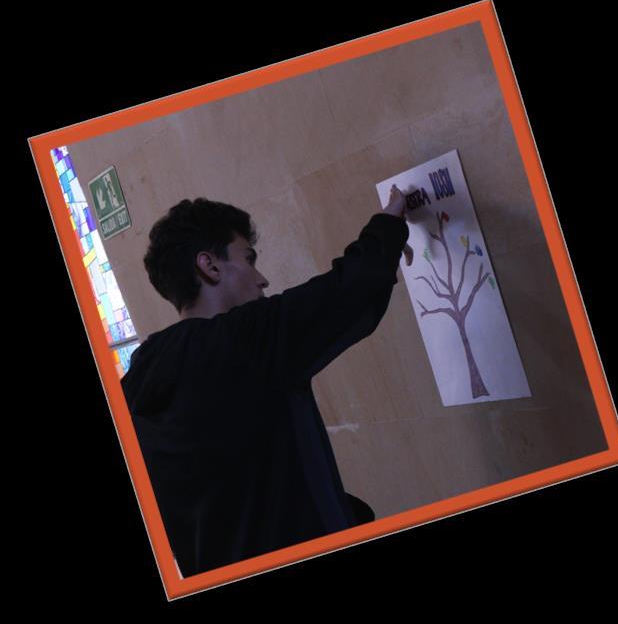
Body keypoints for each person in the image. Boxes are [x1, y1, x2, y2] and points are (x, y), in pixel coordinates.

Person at [121, 186, 412, 577]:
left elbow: (237, 486)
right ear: (210, 266)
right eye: (249, 259)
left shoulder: (136, 390)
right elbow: (347, 291)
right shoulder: (240, 342)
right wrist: (391, 220)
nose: (262, 279)